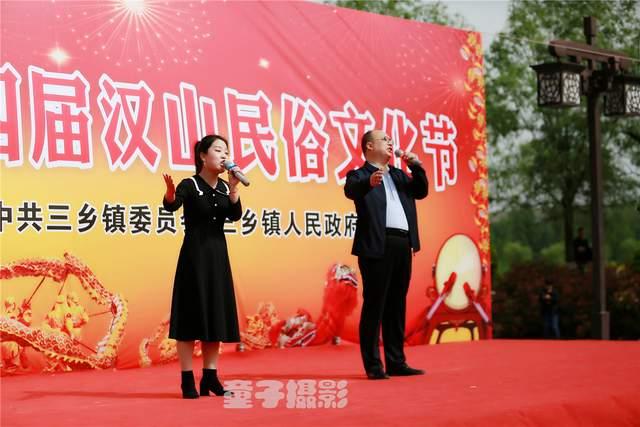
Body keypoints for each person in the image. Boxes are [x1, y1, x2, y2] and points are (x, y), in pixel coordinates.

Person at [162, 134, 243, 398]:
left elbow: (235, 215)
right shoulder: (190, 185)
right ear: (203, 156)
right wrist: (170, 194)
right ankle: (187, 379)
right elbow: (172, 205)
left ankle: (210, 377)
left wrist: (234, 189)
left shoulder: (224, 187)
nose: (224, 155)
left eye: (226, 151)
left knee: (214, 315)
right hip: (194, 257)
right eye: (218, 150)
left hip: (218, 257)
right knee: (189, 317)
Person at [344, 130, 429, 380]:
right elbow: (351, 190)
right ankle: (373, 365)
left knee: (396, 304)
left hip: (403, 244)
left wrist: (416, 167)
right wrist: (369, 182)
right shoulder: (359, 175)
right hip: (376, 245)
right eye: (384, 140)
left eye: (391, 140)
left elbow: (421, 191)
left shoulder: (399, 175)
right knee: (375, 305)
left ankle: (396, 361)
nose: (391, 143)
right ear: (369, 146)